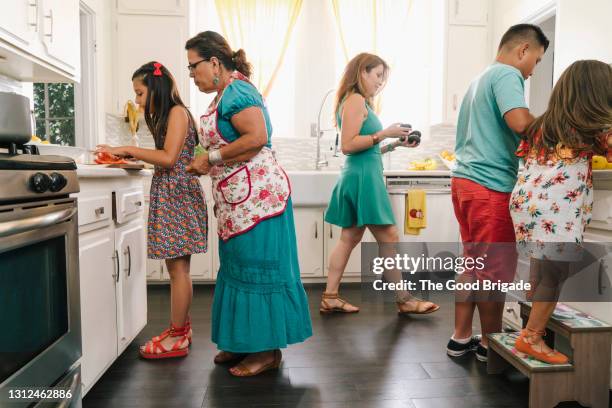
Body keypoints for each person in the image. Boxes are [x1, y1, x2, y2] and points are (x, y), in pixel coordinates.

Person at [184, 31, 312, 376]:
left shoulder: (238, 91)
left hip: (259, 201)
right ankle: (243, 342)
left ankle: (266, 351)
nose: (191, 74)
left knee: (258, 268)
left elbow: (256, 138)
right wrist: (203, 161)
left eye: (193, 66)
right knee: (238, 266)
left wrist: (209, 158)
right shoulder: (223, 95)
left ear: (214, 63)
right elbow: (229, 142)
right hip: (238, 201)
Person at [447, 24, 549, 362]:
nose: (532, 71)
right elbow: (520, 123)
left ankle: (461, 338)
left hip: (465, 183)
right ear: (522, 50)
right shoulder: (507, 75)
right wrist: (559, 128)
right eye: (535, 61)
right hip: (490, 187)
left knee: (473, 264)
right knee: (494, 270)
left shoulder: (480, 79)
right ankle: (492, 345)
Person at [96, 61, 207, 359]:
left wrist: (127, 150)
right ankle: (180, 329)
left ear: (156, 88)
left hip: (179, 195)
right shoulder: (170, 115)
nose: (137, 100)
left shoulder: (177, 113)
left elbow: (169, 158)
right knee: (177, 268)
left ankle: (177, 336)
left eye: (140, 93)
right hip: (173, 193)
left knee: (178, 269)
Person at [510, 60, 612, 364]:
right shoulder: (595, 126)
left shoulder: (541, 124)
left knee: (543, 266)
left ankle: (532, 300)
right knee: (556, 273)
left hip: (526, 203)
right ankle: (532, 337)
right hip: (557, 209)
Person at [322, 52, 439, 315]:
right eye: (377, 76)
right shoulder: (354, 100)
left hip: (360, 174)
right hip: (363, 179)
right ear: (362, 71)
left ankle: (330, 296)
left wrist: (395, 143)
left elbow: (367, 149)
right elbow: (348, 146)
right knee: (388, 237)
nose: (379, 83)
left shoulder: (360, 102)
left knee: (349, 238)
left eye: (382, 79)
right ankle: (405, 299)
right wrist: (384, 133)